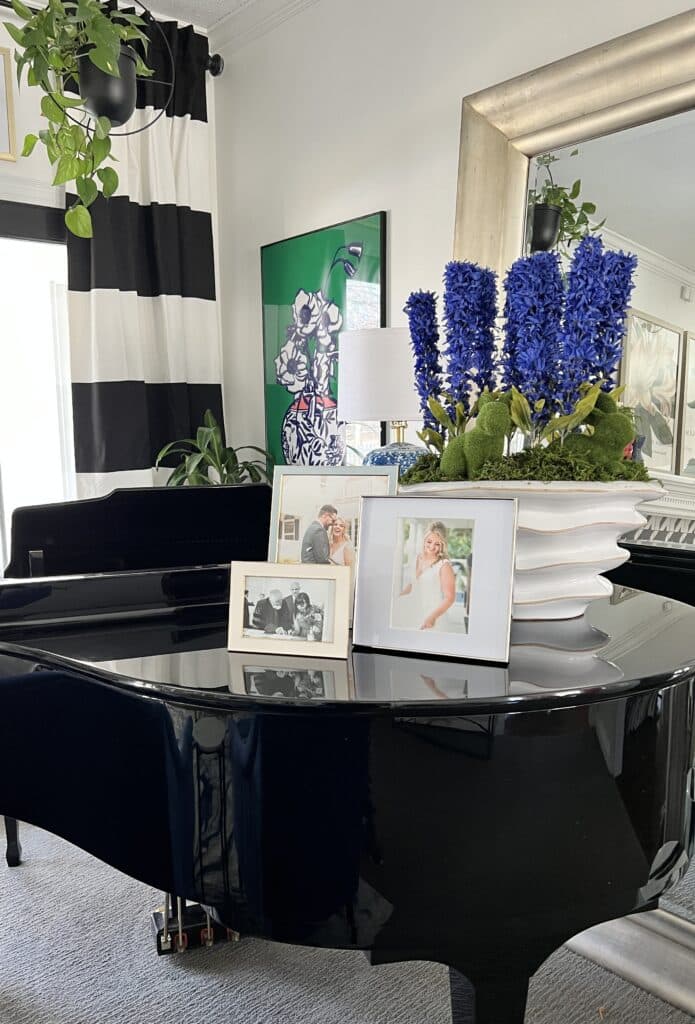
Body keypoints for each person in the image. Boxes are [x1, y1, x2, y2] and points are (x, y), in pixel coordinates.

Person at [393, 521, 457, 631]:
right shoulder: (418, 558)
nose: (432, 547)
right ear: (424, 540)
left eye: (437, 544)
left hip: (432, 616)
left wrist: (432, 617)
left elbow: (449, 598)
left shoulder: (444, 565)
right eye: (429, 541)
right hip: (414, 612)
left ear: (442, 545)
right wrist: (397, 598)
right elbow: (414, 584)